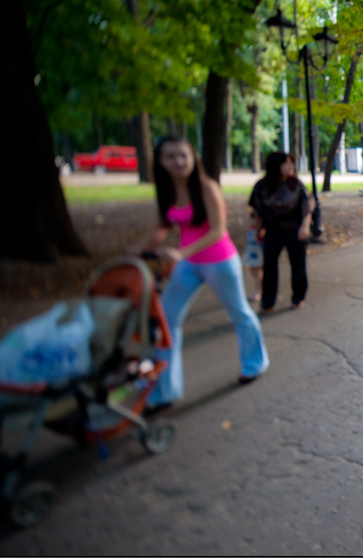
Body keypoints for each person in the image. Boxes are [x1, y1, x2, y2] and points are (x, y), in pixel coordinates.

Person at [131, 137, 269, 412]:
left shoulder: (207, 187)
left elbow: (218, 230)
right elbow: (164, 225)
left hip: (219, 262)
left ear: (193, 158)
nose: (179, 161)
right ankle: (164, 391)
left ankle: (255, 364)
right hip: (188, 264)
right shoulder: (168, 189)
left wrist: (180, 254)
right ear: (160, 162)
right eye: (171, 156)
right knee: (166, 321)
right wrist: (140, 248)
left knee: (239, 313)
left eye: (183, 155)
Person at [249, 151, 314, 314]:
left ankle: (298, 297)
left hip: (295, 228)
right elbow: (257, 210)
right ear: (276, 165)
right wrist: (257, 230)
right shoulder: (262, 186)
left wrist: (305, 227)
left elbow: (307, 207)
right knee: (269, 265)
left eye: (291, 163)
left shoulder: (296, 184)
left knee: (298, 265)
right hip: (272, 229)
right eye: (287, 163)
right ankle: (268, 302)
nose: (291, 166)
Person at [243, 208, 264, 301]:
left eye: (254, 219)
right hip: (251, 252)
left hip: (257, 254)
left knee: (257, 272)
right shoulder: (251, 229)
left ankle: (259, 291)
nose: (252, 221)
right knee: (254, 272)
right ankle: (258, 290)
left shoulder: (261, 231)